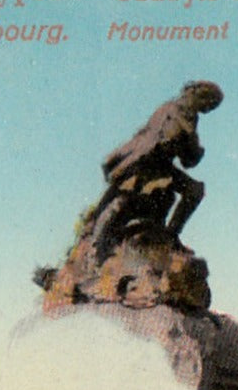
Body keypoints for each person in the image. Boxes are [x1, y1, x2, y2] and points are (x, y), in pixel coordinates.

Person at [85, 80, 224, 258]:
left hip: (155, 164)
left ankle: (169, 235)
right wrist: (196, 149)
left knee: (194, 190)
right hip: (144, 164)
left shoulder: (178, 110)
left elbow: (184, 155)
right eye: (210, 105)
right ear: (201, 97)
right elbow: (186, 157)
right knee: (187, 191)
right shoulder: (178, 114)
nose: (208, 110)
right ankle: (100, 243)